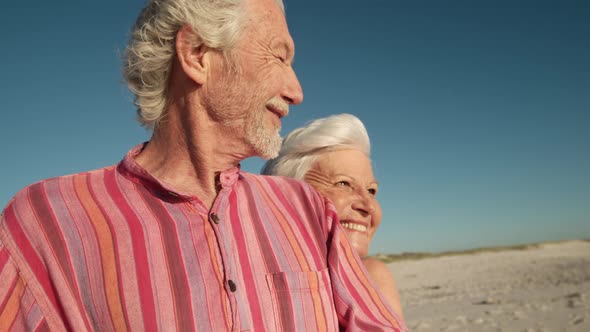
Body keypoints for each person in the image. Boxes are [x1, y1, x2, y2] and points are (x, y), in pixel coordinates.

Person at [0, 0, 406, 331]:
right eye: (279, 57)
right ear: (197, 54)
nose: (296, 91)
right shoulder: (44, 222)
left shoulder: (308, 210)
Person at [262, 113, 404, 318]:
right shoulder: (247, 279)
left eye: (372, 191)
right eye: (344, 184)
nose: (368, 206)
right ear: (286, 195)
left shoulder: (371, 276)